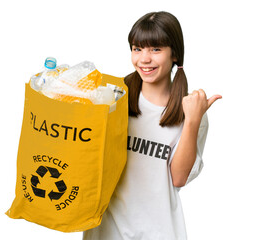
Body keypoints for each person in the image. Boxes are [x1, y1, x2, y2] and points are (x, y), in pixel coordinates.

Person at [83, 11, 222, 240]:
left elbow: (178, 178)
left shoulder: (191, 110)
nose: (144, 59)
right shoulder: (114, 98)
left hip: (159, 232)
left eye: (156, 49)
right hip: (105, 233)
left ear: (174, 53)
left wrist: (193, 120)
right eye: (137, 49)